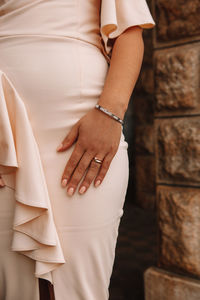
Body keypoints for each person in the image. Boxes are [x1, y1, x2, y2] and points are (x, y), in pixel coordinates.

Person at [0, 0, 155, 299]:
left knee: (82, 284)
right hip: (4, 135)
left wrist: (111, 113)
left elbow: (129, 31)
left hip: (78, 127)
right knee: (11, 284)